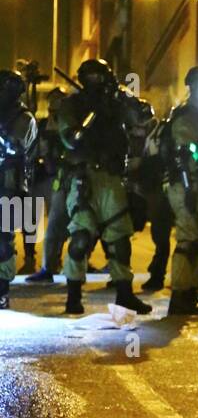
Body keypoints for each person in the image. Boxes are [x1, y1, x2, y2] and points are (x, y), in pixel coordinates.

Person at [57, 58, 152, 316]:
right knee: (80, 238)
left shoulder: (116, 103)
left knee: (120, 239)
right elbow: (71, 139)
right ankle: (73, 296)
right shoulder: (73, 105)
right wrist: (92, 114)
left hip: (112, 178)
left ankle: (124, 295)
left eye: (102, 77)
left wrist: (123, 99)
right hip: (84, 177)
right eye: (94, 78)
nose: (98, 83)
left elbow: (145, 115)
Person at [162, 65, 198, 316]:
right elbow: (183, 152)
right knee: (188, 240)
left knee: (197, 239)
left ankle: (190, 292)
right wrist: (188, 187)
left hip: (197, 184)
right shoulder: (188, 115)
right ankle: (180, 296)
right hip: (186, 184)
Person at [0, 69, 37, 310]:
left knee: (3, 240)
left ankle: (2, 290)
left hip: (10, 185)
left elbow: (16, 147)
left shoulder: (24, 119)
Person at [25, 87, 67, 283]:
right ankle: (30, 258)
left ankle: (55, 261)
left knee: (58, 223)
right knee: (30, 219)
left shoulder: (68, 125)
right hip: (41, 177)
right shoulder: (41, 125)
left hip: (61, 178)